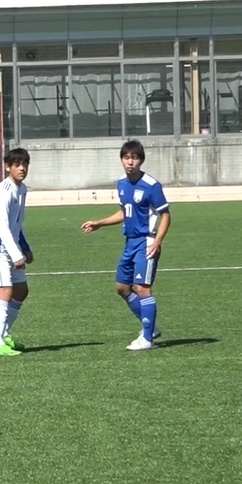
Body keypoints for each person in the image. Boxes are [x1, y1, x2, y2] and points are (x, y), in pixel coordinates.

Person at [81, 139, 168, 351]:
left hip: (146, 241)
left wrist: (157, 241)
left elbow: (165, 215)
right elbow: (125, 212)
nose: (130, 162)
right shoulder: (121, 183)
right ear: (121, 160)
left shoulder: (151, 185)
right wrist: (99, 223)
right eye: (127, 158)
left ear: (141, 160)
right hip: (130, 242)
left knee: (142, 287)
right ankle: (151, 327)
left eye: (135, 158)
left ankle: (147, 337)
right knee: (122, 287)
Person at [0, 148, 33, 357]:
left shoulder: (21, 189)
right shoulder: (3, 191)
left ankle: (4, 334)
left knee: (21, 290)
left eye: (25, 164)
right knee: (5, 291)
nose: (22, 168)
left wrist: (25, 247)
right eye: (17, 164)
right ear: (7, 167)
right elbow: (2, 226)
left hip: (10, 245)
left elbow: (17, 223)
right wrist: (16, 254)